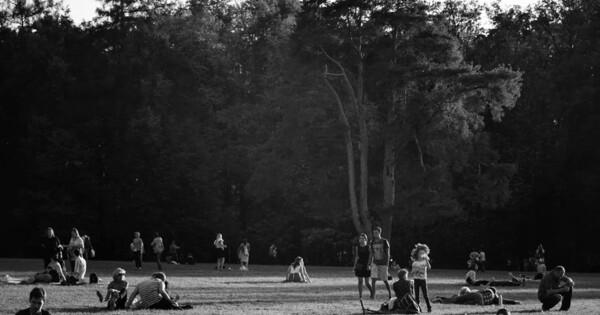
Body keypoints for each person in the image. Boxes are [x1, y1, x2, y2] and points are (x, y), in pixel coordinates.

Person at [432, 287, 520, 305]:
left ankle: (441, 299)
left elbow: (477, 293)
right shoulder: (495, 298)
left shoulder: (487, 291)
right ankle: (441, 299)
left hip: (478, 297)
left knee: (458, 299)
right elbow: (505, 301)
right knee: (461, 301)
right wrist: (515, 302)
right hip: (480, 302)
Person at [370, 226, 391, 299]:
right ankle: (373, 296)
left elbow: (388, 253)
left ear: (379, 232)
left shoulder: (385, 241)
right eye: (374, 233)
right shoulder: (372, 242)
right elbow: (372, 253)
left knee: (385, 280)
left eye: (376, 232)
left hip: (383, 263)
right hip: (375, 263)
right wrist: (370, 263)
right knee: (373, 279)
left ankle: (390, 294)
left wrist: (387, 264)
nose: (375, 234)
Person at [410, 243, 432, 313]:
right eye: (420, 253)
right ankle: (417, 308)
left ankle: (429, 307)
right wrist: (415, 271)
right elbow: (412, 272)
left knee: (425, 295)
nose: (422, 254)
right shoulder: (415, 262)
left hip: (423, 280)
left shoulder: (425, 261)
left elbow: (429, 268)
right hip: (416, 280)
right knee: (416, 296)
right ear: (417, 254)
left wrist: (427, 260)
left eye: (423, 253)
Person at [353, 233, 373, 299]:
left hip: (366, 264)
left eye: (363, 238)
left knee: (367, 282)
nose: (361, 240)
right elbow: (357, 256)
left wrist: (369, 265)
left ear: (366, 239)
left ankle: (372, 292)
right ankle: (360, 296)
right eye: (360, 238)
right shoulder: (357, 247)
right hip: (359, 264)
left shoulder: (369, 247)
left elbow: (370, 257)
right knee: (360, 281)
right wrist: (355, 265)